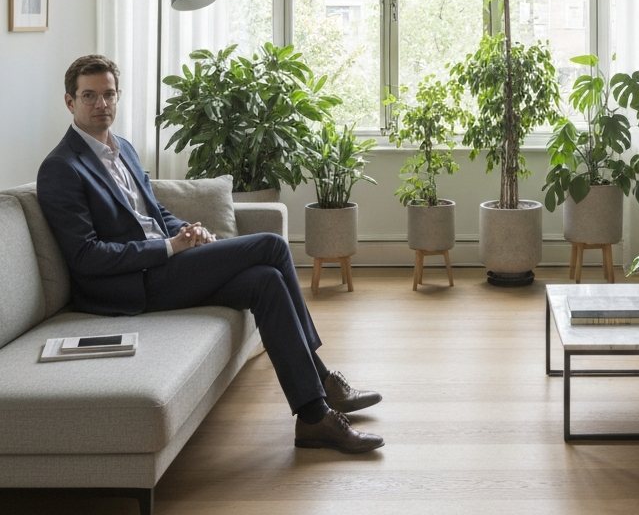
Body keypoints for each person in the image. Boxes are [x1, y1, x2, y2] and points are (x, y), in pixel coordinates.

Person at [36, 54, 384, 454]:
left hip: (164, 265)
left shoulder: (124, 149)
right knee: (270, 244)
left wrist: (185, 229)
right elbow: (86, 256)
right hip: (130, 287)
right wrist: (169, 247)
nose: (102, 105)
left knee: (265, 282)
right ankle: (321, 377)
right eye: (89, 97)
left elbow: (151, 211)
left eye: (109, 95)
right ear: (70, 102)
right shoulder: (62, 167)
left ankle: (312, 418)